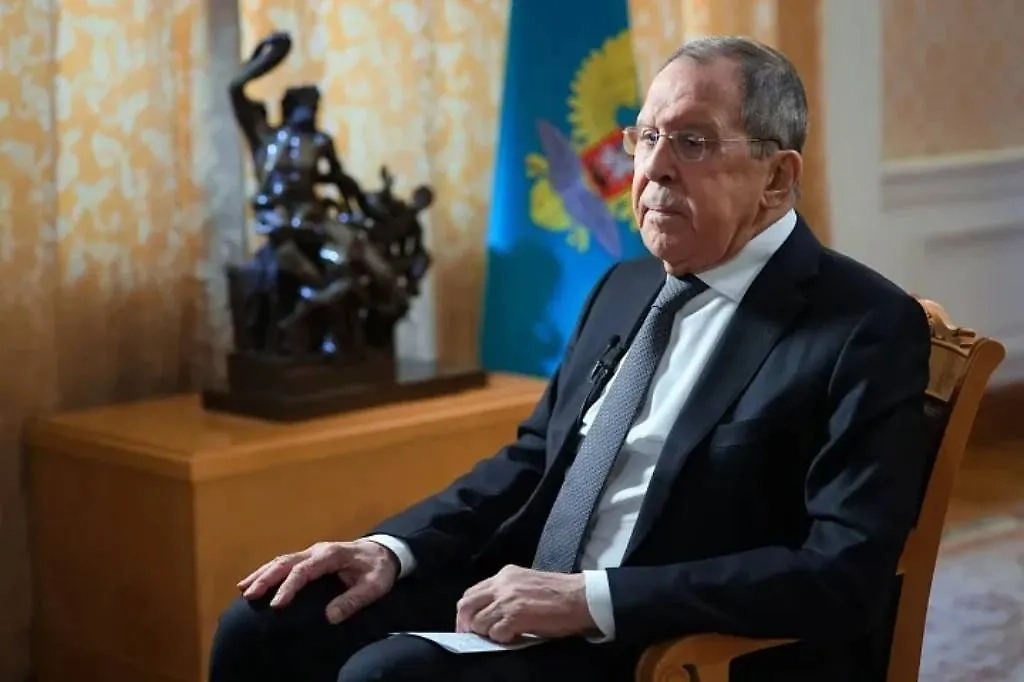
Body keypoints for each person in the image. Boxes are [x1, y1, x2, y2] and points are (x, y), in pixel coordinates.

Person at [209, 36, 934, 682]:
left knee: (389, 677)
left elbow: (841, 570)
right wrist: (393, 548)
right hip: (525, 586)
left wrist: (592, 599)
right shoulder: (627, 285)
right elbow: (535, 461)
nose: (652, 169)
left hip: (664, 638)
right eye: (646, 137)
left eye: (693, 143)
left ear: (776, 178)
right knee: (265, 627)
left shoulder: (863, 327)